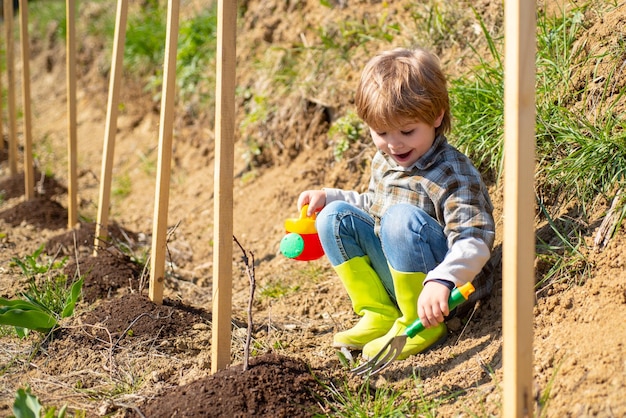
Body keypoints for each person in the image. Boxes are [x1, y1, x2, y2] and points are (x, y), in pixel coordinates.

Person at [296, 47, 496, 361]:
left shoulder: (451, 172)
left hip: (449, 290)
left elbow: (474, 237)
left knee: (399, 219)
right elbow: (375, 206)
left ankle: (422, 323)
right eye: (381, 132)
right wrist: (331, 198)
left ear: (437, 116)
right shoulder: (386, 160)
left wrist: (444, 278)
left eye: (407, 131)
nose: (394, 143)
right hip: (404, 276)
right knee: (333, 218)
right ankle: (381, 313)